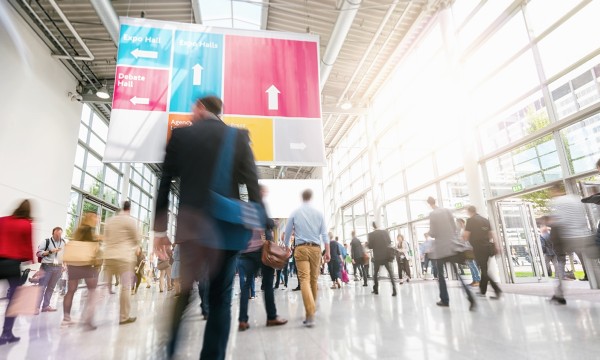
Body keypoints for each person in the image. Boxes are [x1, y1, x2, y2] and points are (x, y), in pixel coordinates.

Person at [154, 96, 264, 360]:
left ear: (201, 108)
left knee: (183, 292)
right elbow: (252, 185)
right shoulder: (237, 138)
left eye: (193, 108)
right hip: (226, 228)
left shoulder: (181, 136)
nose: (191, 113)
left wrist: (159, 231)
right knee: (220, 299)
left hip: (191, 227)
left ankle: (169, 352)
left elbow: (165, 182)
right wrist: (260, 225)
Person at [238, 186, 287, 331]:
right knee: (267, 285)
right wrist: (274, 222)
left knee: (246, 285)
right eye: (264, 191)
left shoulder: (244, 208)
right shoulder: (260, 205)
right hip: (262, 251)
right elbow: (267, 223)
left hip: (246, 251)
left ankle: (242, 320)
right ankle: (271, 317)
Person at [284, 189, 330, 327]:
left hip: (301, 248)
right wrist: (327, 251)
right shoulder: (319, 213)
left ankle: (310, 314)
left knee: (304, 279)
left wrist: (286, 246)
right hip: (316, 249)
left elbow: (287, 232)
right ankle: (311, 312)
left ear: (302, 198)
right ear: (311, 197)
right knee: (313, 280)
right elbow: (324, 234)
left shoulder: (295, 212)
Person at [548, 183, 594, 305]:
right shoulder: (576, 198)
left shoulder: (556, 202)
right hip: (584, 235)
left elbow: (560, 221)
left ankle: (559, 295)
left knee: (560, 262)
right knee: (590, 262)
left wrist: (551, 222)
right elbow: (584, 216)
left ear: (554, 191)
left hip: (567, 236)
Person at [427, 197, 475, 310]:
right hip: (451, 246)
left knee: (441, 275)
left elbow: (433, 233)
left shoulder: (433, 214)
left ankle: (445, 300)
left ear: (429, 204)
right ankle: (470, 296)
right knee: (457, 273)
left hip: (440, 249)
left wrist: (429, 233)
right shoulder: (447, 211)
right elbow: (454, 228)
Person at [0, 200, 34, 345]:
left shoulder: (3, 220)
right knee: (14, 300)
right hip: (12, 265)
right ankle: (6, 334)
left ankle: (8, 334)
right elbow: (28, 245)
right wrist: (31, 260)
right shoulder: (26, 224)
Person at [61, 211, 101, 330]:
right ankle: (88, 320)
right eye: (95, 217)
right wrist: (98, 239)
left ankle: (66, 318)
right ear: (90, 218)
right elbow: (91, 246)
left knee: (71, 290)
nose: (97, 219)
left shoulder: (79, 230)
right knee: (92, 291)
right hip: (86, 264)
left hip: (74, 263)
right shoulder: (88, 230)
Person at [103, 201, 140, 325]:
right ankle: (123, 317)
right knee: (125, 287)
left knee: (105, 285)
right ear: (129, 209)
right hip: (124, 258)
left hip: (109, 257)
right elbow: (136, 239)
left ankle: (89, 317)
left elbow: (106, 238)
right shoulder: (130, 221)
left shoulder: (110, 220)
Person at [463, 206, 502, 299]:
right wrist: (497, 246)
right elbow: (491, 234)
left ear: (469, 212)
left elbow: (465, 236)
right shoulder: (485, 220)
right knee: (484, 268)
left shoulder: (470, 220)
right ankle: (483, 291)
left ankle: (497, 289)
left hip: (478, 248)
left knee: (484, 270)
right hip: (487, 247)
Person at [36, 226, 66, 313]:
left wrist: (65, 265)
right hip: (47, 266)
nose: (58, 236)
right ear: (52, 234)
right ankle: (36, 307)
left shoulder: (63, 242)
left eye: (60, 235)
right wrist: (50, 251)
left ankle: (45, 306)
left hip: (58, 267)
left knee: (51, 287)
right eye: (56, 235)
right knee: (41, 287)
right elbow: (38, 253)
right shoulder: (46, 241)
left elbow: (64, 254)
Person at [367, 222, 397, 296]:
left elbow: (370, 246)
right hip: (386, 256)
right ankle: (394, 289)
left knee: (375, 274)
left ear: (373, 227)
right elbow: (389, 242)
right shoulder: (385, 232)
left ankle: (376, 289)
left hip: (377, 257)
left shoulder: (371, 234)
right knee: (390, 273)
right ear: (379, 225)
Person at [457, 218, 480, 287]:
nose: (457, 225)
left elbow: (467, 238)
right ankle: (474, 280)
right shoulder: (461, 230)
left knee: (472, 265)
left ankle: (478, 280)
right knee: (470, 265)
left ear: (462, 222)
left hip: (469, 248)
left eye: (458, 223)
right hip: (465, 249)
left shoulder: (467, 229)